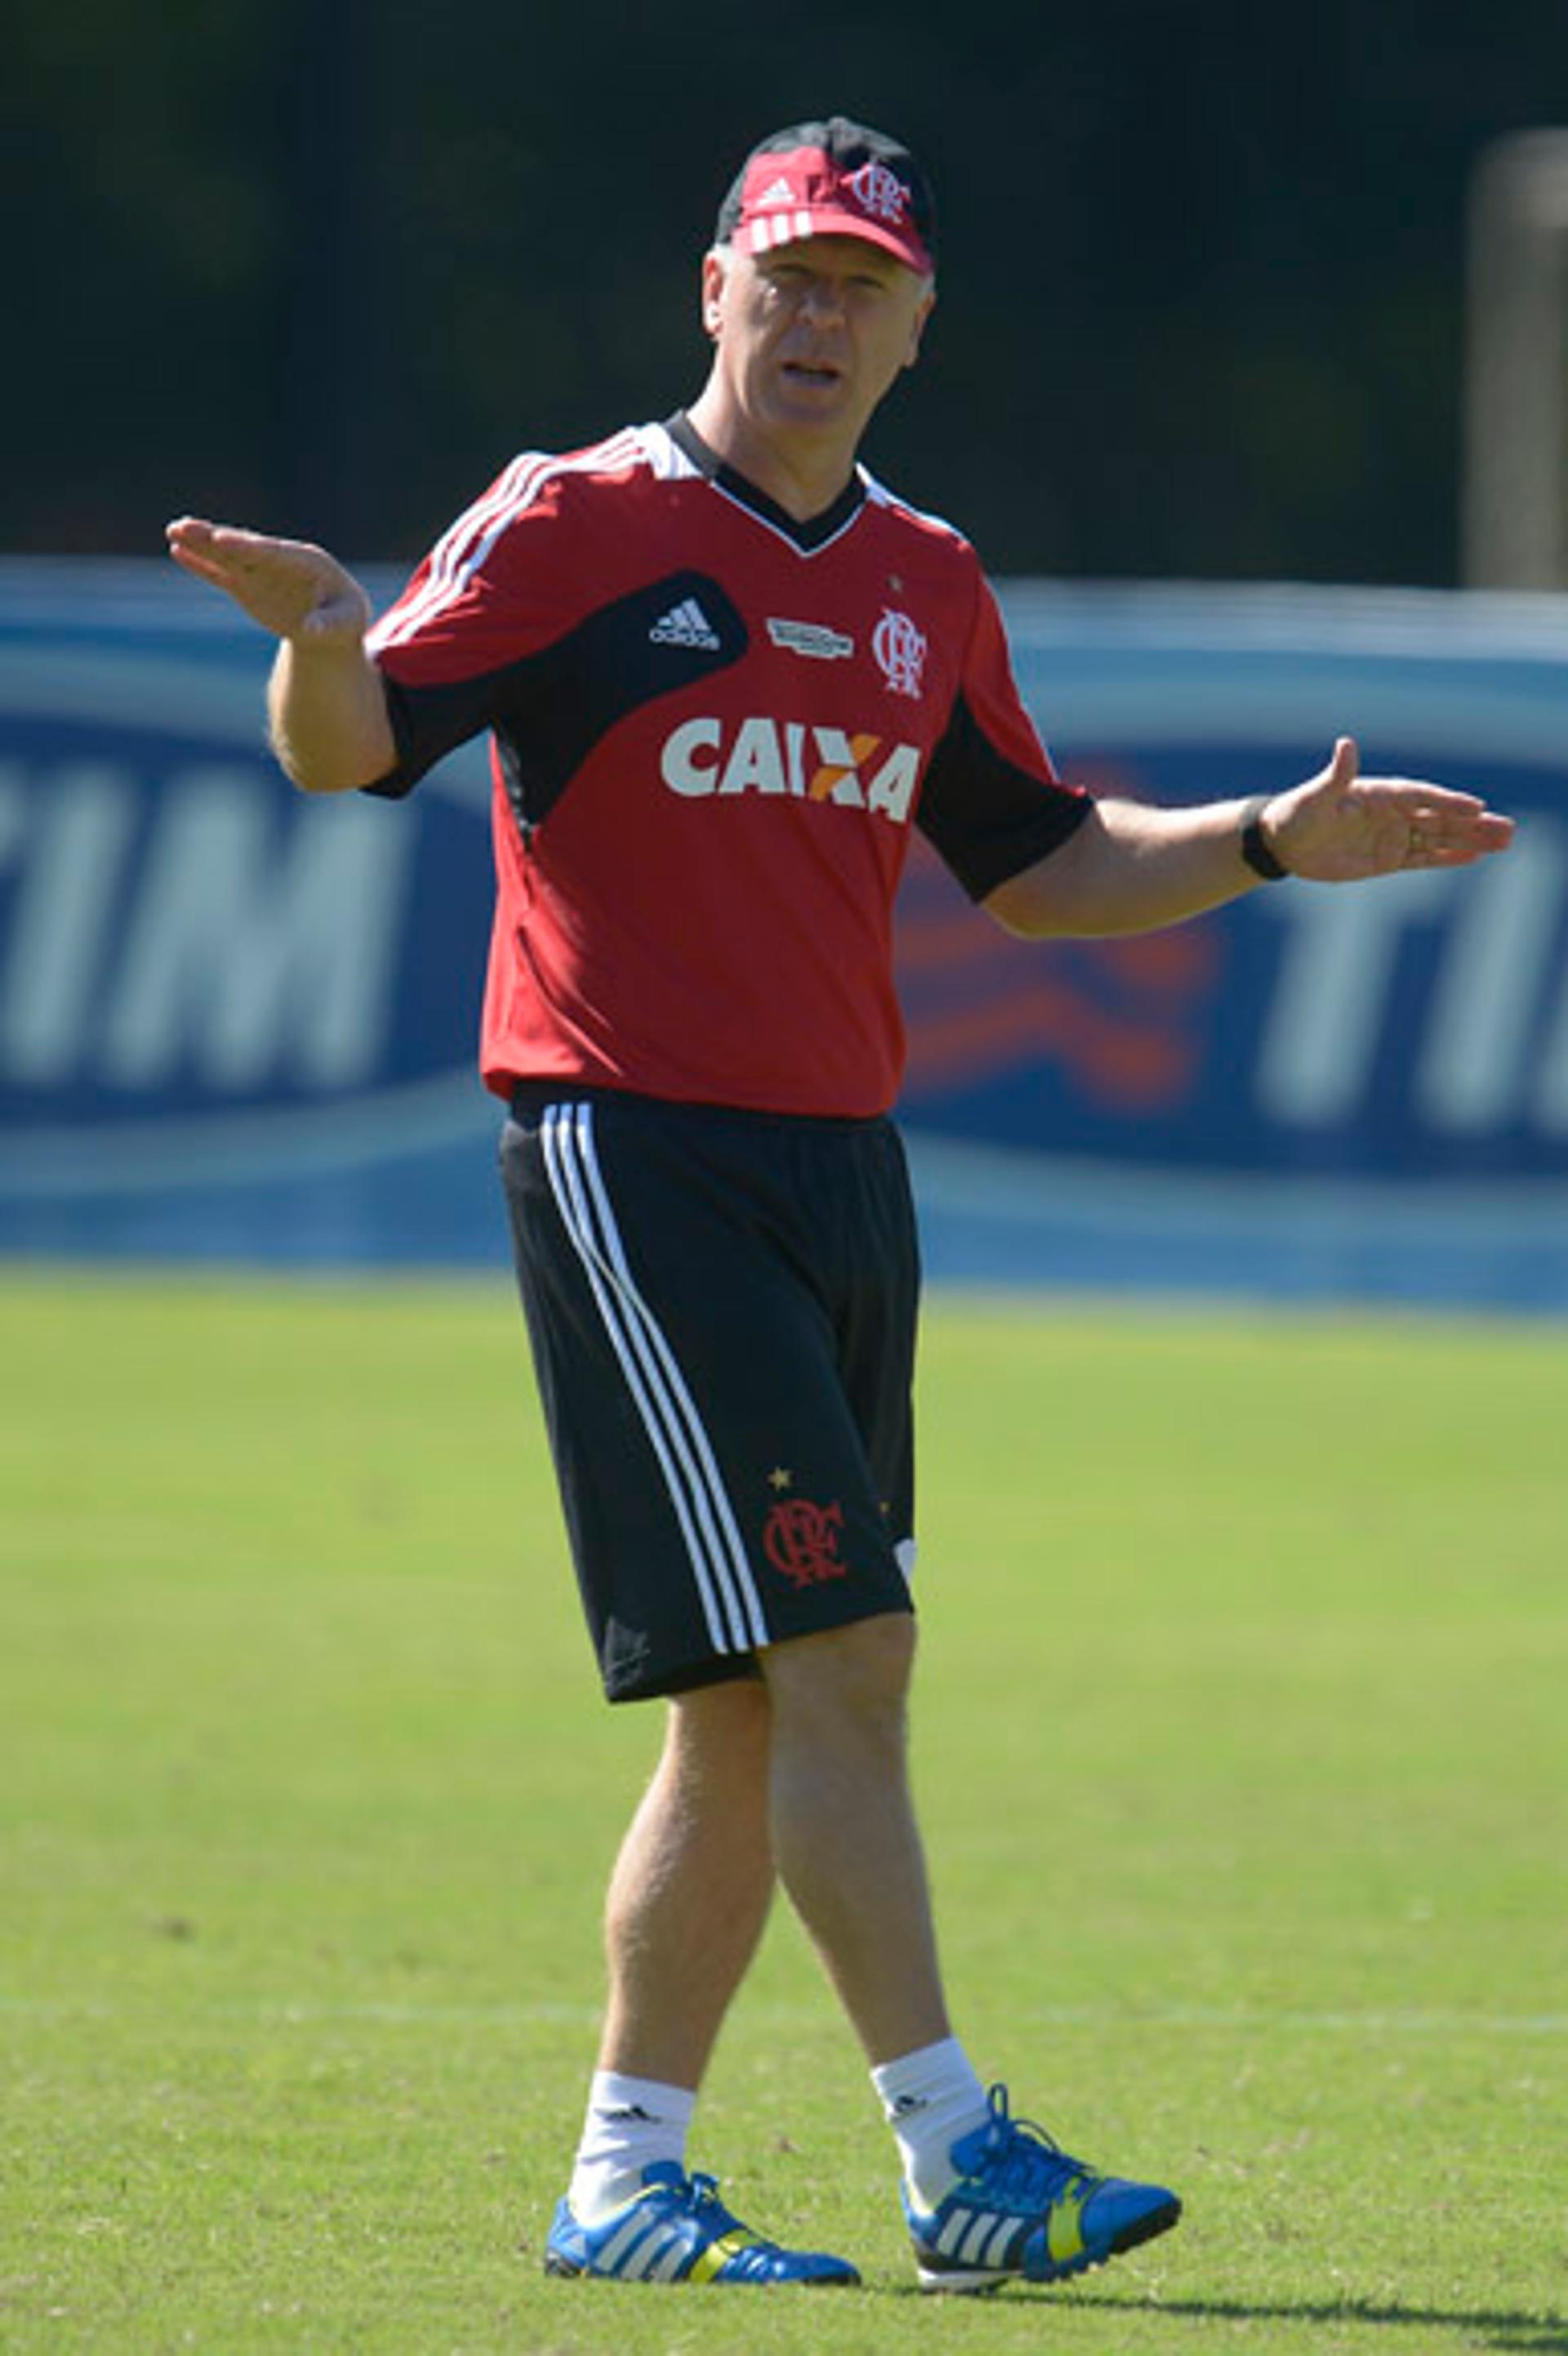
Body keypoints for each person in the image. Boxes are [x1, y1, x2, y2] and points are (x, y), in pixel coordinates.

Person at [167, 115, 1514, 2296]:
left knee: (756, 1704)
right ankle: (954, 2144)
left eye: (860, 286)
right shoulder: (580, 518)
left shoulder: (924, 581)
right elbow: (349, 751)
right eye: (785, 275)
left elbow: (1042, 862)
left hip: (836, 1165)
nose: (817, 316)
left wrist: (1266, 838)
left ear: (915, 330)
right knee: (850, 1653)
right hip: (634, 1143)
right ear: (714, 288)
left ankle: (625, 2173)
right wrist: (325, 629)